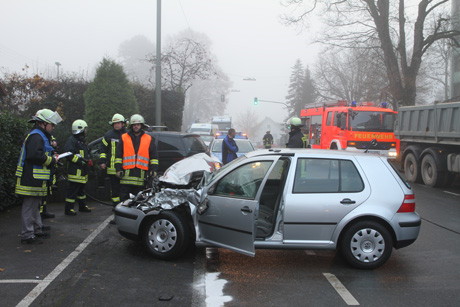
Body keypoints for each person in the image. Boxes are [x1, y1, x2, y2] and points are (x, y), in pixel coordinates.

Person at [15, 108, 62, 244]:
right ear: (43, 123)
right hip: (30, 178)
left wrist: (52, 156)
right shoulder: (36, 136)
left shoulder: (39, 135)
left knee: (35, 205)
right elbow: (34, 156)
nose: (53, 127)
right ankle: (27, 235)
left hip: (35, 178)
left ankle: (36, 230)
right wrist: (52, 160)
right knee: (30, 206)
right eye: (52, 124)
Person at [115, 114, 159, 201]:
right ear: (131, 126)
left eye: (138, 124)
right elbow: (118, 155)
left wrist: (153, 169)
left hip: (141, 175)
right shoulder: (124, 137)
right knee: (124, 199)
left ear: (141, 125)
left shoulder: (149, 138)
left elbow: (153, 156)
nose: (136, 126)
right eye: (134, 125)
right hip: (126, 175)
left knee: (140, 200)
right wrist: (118, 169)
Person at [63, 119, 92, 215]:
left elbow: (85, 153)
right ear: (80, 129)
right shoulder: (72, 141)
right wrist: (81, 162)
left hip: (82, 172)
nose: (86, 131)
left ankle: (82, 206)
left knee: (81, 191)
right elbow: (69, 155)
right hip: (75, 172)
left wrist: (88, 160)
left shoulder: (81, 141)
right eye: (85, 129)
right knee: (72, 192)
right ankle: (69, 209)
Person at [99, 113, 127, 207]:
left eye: (118, 123)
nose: (116, 125)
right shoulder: (108, 135)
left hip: (126, 167)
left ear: (123, 124)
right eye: (115, 123)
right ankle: (116, 207)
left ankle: (124, 207)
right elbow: (102, 149)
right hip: (112, 168)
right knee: (115, 190)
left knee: (124, 189)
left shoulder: (127, 135)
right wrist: (102, 161)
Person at [40, 135, 58, 219]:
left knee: (45, 193)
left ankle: (44, 211)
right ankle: (40, 215)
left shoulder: (47, 136)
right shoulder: (39, 137)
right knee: (41, 196)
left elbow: (53, 143)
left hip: (48, 169)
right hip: (42, 171)